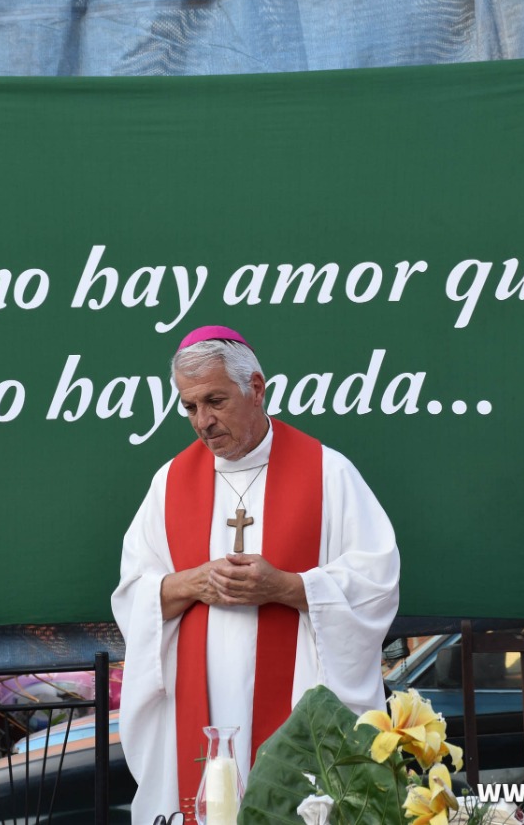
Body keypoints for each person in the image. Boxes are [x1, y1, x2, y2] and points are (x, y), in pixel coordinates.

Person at [112, 326, 401, 822]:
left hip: (296, 696)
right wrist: (195, 581)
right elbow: (133, 594)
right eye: (189, 407)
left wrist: (287, 587)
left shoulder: (327, 472)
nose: (203, 421)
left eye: (215, 401)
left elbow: (376, 581)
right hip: (198, 705)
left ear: (257, 388)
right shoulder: (169, 483)